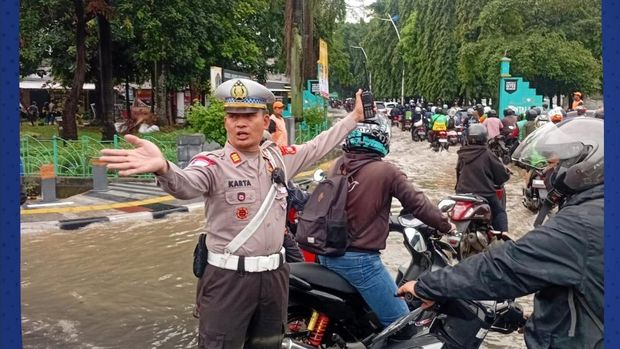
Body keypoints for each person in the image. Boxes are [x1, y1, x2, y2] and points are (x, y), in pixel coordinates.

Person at [100, 78, 366, 349]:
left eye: (249, 116)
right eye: (233, 116)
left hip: (275, 278)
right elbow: (186, 184)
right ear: (225, 122)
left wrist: (354, 117)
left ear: (265, 122)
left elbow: (318, 145)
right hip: (227, 281)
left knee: (268, 345)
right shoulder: (213, 165)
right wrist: (164, 168)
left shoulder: (277, 159)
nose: (240, 123)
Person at [398, 117, 604, 349]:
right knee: (499, 211)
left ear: (583, 167)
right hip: (484, 195)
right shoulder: (594, 212)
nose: (549, 171)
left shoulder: (580, 224)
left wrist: (425, 286)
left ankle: (501, 232)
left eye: (555, 165)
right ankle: (501, 231)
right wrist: (537, 321)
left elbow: (505, 267)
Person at [319, 114, 455, 328]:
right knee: (402, 325)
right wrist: (446, 225)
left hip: (326, 255)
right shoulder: (387, 171)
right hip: (359, 261)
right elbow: (418, 203)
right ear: (383, 138)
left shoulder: (337, 166)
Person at [455, 124, 510, 233]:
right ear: (485, 138)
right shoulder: (488, 154)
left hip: (462, 194)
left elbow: (458, 173)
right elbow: (501, 177)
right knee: (499, 212)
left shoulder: (462, 153)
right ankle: (504, 238)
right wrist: (506, 174)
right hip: (485, 194)